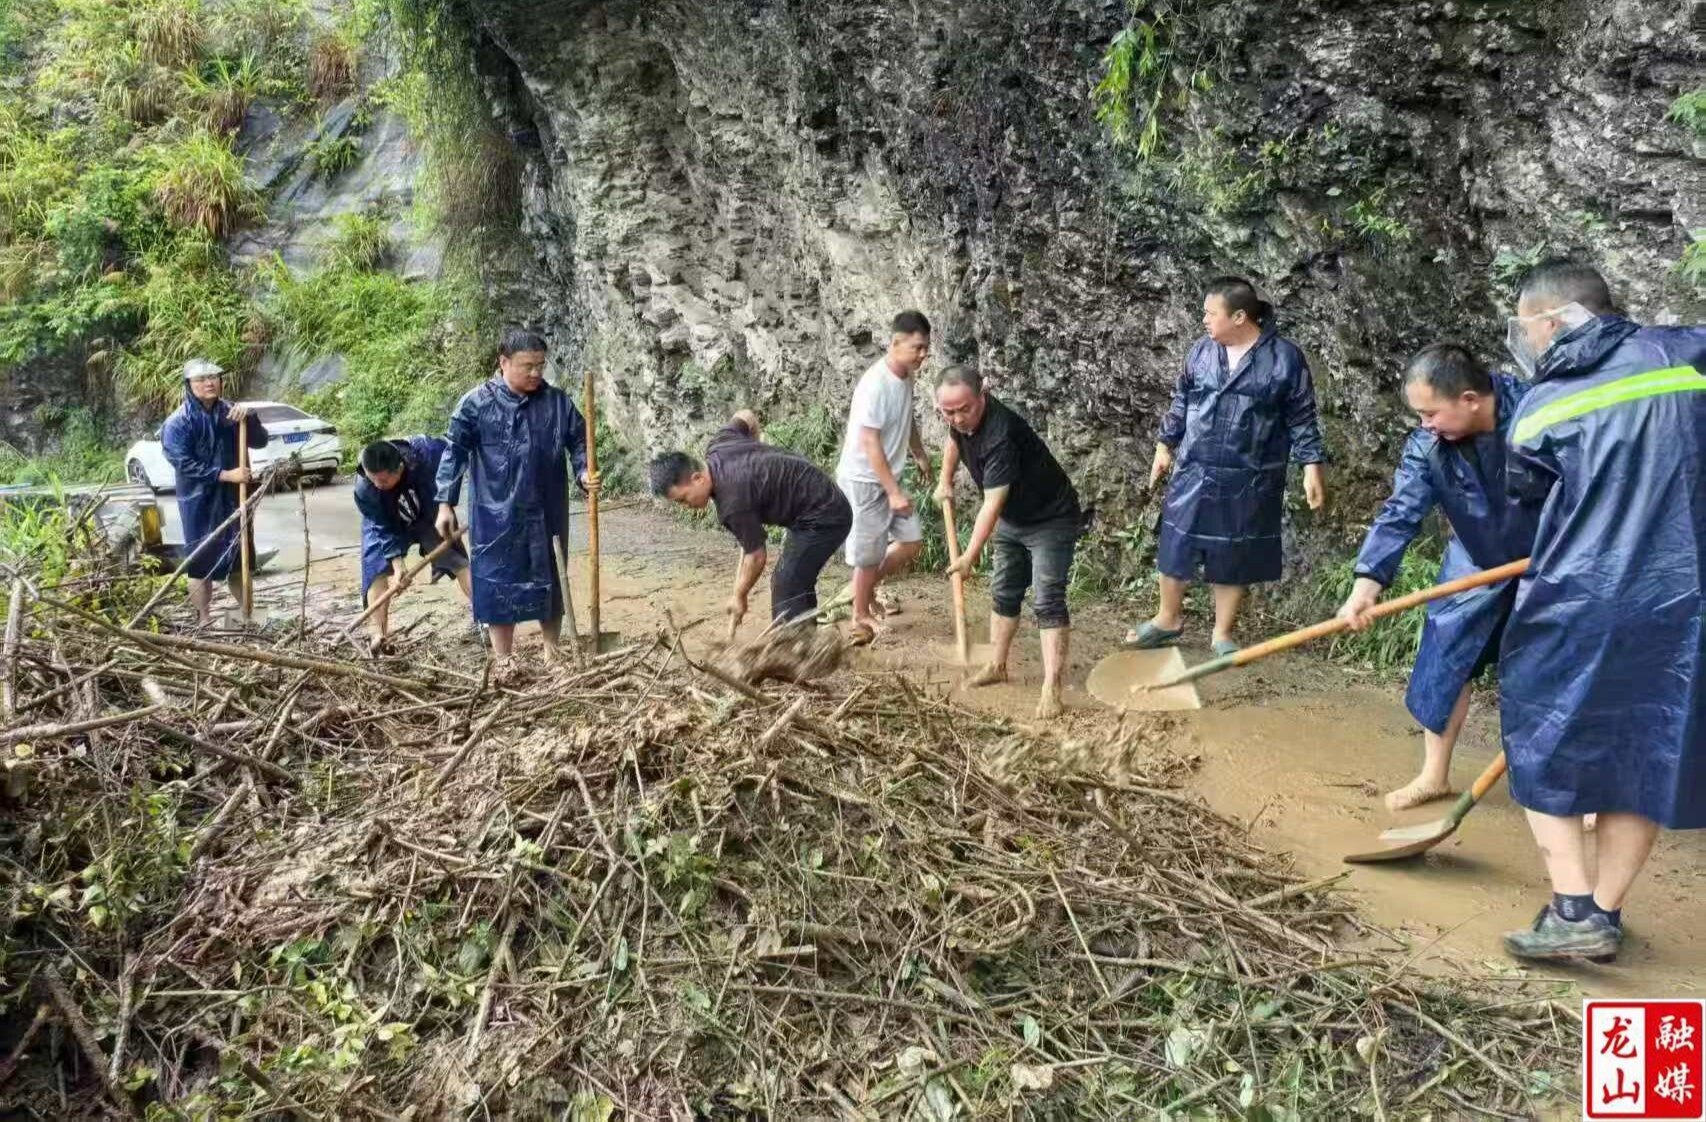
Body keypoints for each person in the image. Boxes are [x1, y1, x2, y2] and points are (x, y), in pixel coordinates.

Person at [1497, 260, 1706, 964]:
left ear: (1551, 322)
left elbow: (1525, 502)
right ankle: (1606, 912)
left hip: (1581, 600)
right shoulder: (1690, 351)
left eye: (1526, 326)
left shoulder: (1542, 404)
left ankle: (1574, 908)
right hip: (1685, 605)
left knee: (1537, 738)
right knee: (1648, 746)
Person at [1336, 344, 1535, 811]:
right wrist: (1366, 586)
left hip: (1550, 561)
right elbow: (1399, 513)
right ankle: (1433, 775)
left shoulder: (1540, 417)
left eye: (1431, 412)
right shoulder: (1428, 445)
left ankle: (1583, 792)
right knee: (1445, 658)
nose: (1425, 423)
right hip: (1475, 556)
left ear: (1469, 399)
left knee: (1555, 673)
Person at [1128, 277, 1326, 655]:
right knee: (1176, 540)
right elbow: (1181, 400)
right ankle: (1167, 619)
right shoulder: (1201, 351)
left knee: (1234, 551)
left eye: (1210, 313)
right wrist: (1164, 445)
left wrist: (1310, 465)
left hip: (1250, 472)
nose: (1204, 319)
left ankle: (1221, 633)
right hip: (1195, 465)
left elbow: (1302, 416)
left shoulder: (1284, 358)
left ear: (1238, 316)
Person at [433, 328, 595, 662]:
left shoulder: (556, 402)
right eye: (527, 366)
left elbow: (580, 440)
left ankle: (552, 650)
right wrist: (445, 503)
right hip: (494, 512)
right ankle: (504, 658)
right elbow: (453, 452)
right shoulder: (476, 404)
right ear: (503, 363)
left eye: (540, 365)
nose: (536, 373)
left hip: (546, 507)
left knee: (551, 573)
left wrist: (583, 472)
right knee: (497, 580)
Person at [934, 366, 1082, 719]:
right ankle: (997, 665)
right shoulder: (958, 419)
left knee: (1047, 600)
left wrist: (969, 555)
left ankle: (1051, 688)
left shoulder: (1001, 435)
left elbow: (992, 503)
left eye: (964, 409)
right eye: (948, 412)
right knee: (1004, 592)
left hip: (1051, 518)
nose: (957, 418)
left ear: (982, 395)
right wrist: (945, 480)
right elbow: (954, 441)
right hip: (1015, 518)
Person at [648, 409, 852, 638]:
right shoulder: (719, 444)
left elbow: (756, 557)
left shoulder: (733, 502)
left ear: (698, 478)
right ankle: (805, 639)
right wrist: (754, 453)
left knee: (788, 580)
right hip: (816, 496)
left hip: (826, 514)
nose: (685, 506)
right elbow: (746, 415)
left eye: (683, 499)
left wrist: (740, 595)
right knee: (794, 576)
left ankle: (796, 651)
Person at [836, 310, 933, 642]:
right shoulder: (875, 384)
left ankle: (863, 593)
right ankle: (860, 616)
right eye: (917, 347)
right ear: (895, 342)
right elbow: (869, 441)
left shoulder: (906, 376)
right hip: (865, 480)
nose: (923, 354)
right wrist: (892, 491)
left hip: (888, 477)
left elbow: (908, 419)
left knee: (911, 542)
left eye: (926, 348)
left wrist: (919, 453)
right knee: (868, 554)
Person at [161, 358, 268, 626]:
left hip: (234, 499)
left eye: (213, 378)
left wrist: (251, 418)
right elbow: (182, 463)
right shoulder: (178, 423)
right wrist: (224, 474)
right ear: (189, 385)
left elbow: (260, 440)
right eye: (201, 379)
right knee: (200, 561)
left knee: (239, 558)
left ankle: (248, 615)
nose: (209, 383)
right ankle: (204, 619)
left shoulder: (233, 413)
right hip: (198, 501)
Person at [354, 437, 472, 651]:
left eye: (383, 481)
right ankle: (378, 637)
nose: (377, 486)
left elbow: (456, 461)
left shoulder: (428, 452)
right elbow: (382, 527)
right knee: (374, 569)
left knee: (457, 559)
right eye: (374, 481)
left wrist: (446, 506)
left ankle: (486, 617)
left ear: (399, 467)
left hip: (429, 512)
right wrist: (398, 566)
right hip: (387, 521)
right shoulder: (365, 486)